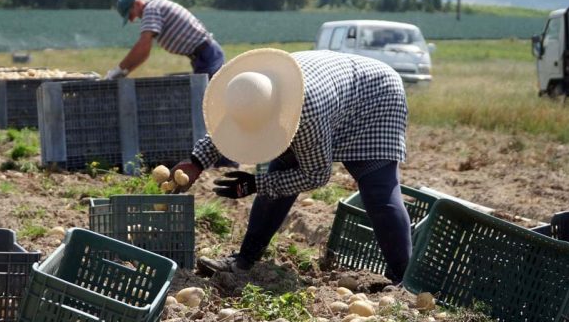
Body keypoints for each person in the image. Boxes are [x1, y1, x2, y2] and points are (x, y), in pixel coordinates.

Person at [171, 48, 412, 283]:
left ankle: (403, 278)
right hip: (335, 90)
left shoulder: (304, 114)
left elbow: (316, 174)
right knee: (278, 180)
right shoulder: (247, 88)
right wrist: (196, 161)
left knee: (377, 190)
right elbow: (233, 124)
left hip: (376, 97)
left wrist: (256, 183)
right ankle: (243, 261)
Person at [104, 0, 225, 81]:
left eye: (130, 15)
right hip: (202, 57)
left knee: (208, 101)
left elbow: (143, 47)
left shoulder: (151, 9)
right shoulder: (153, 7)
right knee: (203, 100)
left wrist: (119, 69)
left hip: (207, 56)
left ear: (136, 4)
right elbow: (143, 52)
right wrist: (124, 72)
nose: (132, 20)